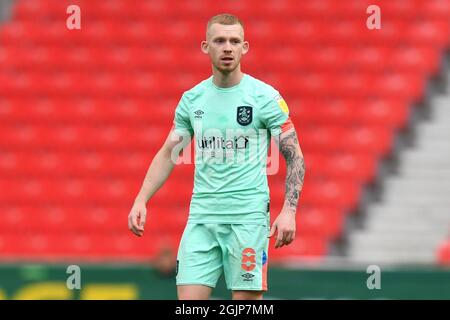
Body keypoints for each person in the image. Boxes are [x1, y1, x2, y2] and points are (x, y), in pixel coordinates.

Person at [128, 13, 305, 300]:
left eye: (235, 41)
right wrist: (141, 198)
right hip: (201, 219)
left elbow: (294, 155)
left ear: (245, 47)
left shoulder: (264, 97)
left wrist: (289, 210)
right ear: (205, 46)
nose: (227, 47)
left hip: (247, 220)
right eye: (220, 41)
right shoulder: (192, 99)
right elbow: (169, 153)